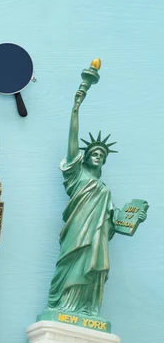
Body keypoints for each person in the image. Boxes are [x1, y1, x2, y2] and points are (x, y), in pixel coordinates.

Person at [46, 93, 147, 316]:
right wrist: (75, 108)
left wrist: (134, 219)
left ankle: (84, 309)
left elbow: (114, 219)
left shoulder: (104, 189)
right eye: (95, 152)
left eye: (102, 155)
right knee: (68, 264)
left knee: (93, 268)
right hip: (76, 231)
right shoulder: (76, 175)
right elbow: (73, 142)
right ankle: (62, 306)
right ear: (86, 155)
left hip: (97, 236)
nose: (98, 156)